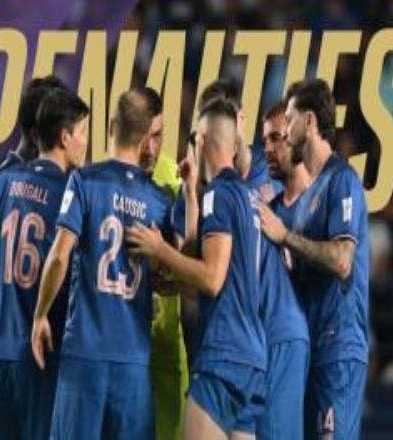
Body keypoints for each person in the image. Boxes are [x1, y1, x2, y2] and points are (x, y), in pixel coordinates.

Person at [31, 88, 173, 439]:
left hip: (85, 354)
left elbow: (60, 255)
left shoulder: (84, 180)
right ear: (146, 138)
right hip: (134, 360)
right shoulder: (159, 201)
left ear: (112, 126)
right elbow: (170, 272)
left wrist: (40, 315)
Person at [126, 99, 267, 440]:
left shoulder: (218, 194)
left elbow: (212, 278)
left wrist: (159, 249)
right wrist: (190, 194)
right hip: (252, 360)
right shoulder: (247, 197)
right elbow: (226, 278)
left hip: (223, 354)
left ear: (201, 141)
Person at [0, 85, 89, 440]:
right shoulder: (71, 194)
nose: (85, 142)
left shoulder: (0, 182)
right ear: (64, 137)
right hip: (40, 355)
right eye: (82, 132)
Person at [258, 79, 369, 439]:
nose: (285, 130)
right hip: (311, 350)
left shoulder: (342, 179)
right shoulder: (309, 194)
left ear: (309, 122)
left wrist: (285, 237)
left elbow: (342, 261)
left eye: (289, 120)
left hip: (338, 347)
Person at [248, 102, 310, 439]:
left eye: (276, 138)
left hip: (294, 338)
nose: (268, 149)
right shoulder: (268, 210)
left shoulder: (323, 199)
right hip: (266, 340)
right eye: (264, 141)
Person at [138, 87, 189, 440]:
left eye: (158, 136)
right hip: (125, 343)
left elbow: (195, 256)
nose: (151, 147)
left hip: (168, 339)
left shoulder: (174, 175)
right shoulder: (104, 178)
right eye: (145, 136)